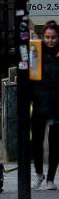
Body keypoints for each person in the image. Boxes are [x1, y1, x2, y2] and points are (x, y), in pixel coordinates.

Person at [35, 20, 59, 189]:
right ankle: (39, 174)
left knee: (55, 143)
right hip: (38, 103)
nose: (50, 41)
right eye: (47, 37)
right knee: (35, 142)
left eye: (54, 37)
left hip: (56, 105)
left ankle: (50, 179)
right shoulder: (36, 52)